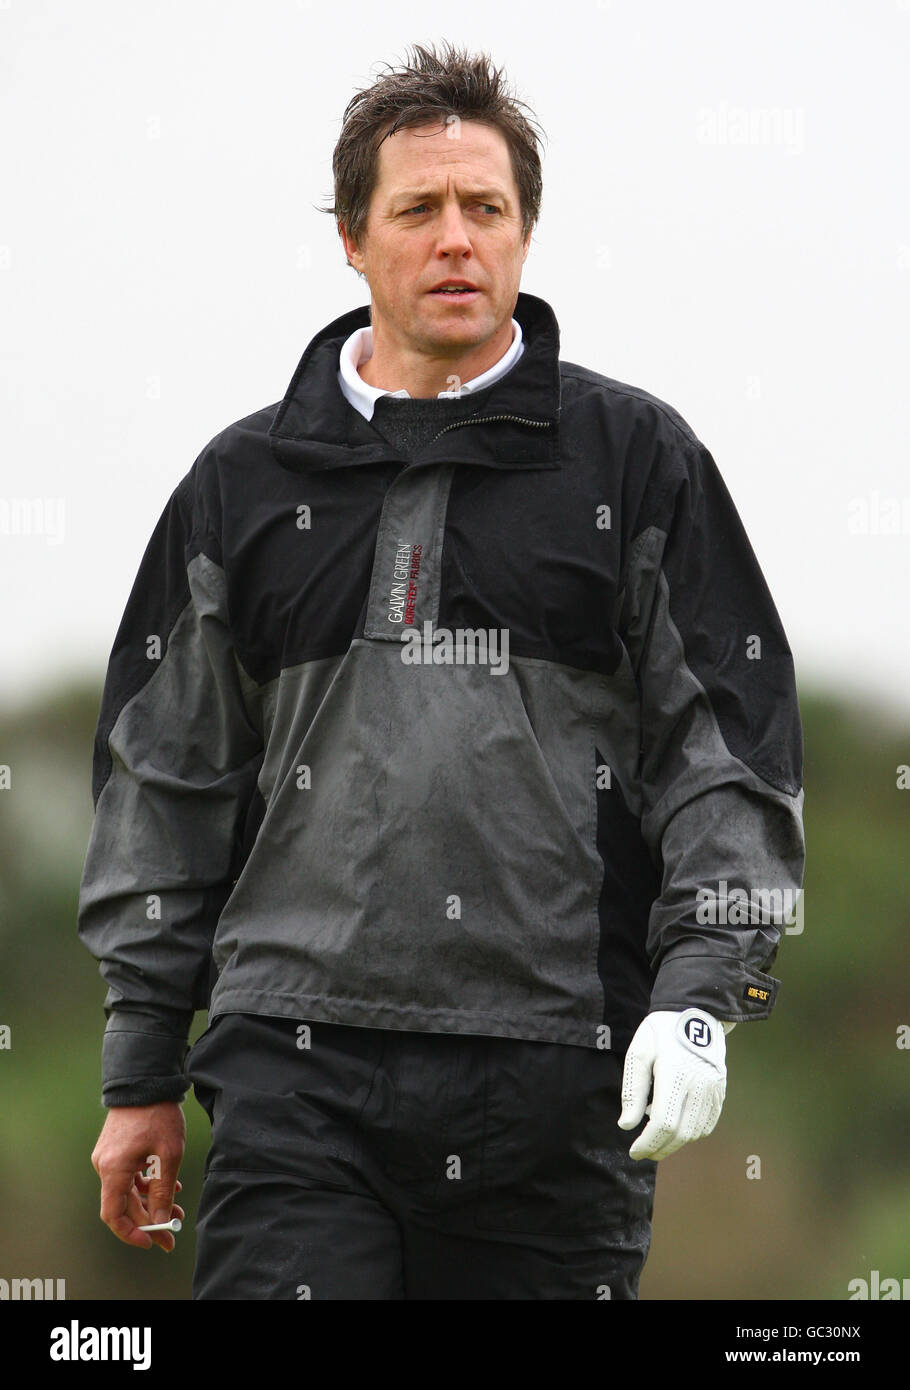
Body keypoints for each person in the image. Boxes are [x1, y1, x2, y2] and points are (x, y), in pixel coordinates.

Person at [78, 41, 805, 1301]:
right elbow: (165, 782)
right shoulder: (239, 486)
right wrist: (140, 1066)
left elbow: (723, 756)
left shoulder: (636, 461)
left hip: (557, 1082)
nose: (457, 238)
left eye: (488, 208)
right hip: (294, 1071)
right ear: (353, 241)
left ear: (526, 235)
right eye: (419, 209)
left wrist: (701, 993)